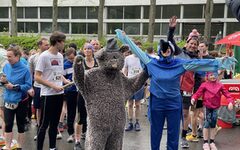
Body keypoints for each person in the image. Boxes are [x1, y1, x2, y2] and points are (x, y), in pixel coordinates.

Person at [115, 16, 236, 150]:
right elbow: (137, 50)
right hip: (157, 104)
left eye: (169, 50)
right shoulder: (152, 62)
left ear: (172, 51)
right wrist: (125, 38)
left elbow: (197, 63)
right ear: (160, 51)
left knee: (173, 134)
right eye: (163, 49)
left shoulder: (179, 64)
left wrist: (220, 62)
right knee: (155, 133)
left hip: (173, 103)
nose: (166, 52)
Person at [35, 31, 70, 150]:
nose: (64, 44)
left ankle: (52, 148)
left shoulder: (60, 56)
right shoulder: (44, 56)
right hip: (47, 95)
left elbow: (58, 74)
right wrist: (52, 86)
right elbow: (37, 77)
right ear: (57, 42)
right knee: (44, 124)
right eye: (63, 42)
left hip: (59, 94)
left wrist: (65, 81)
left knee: (54, 124)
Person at [191, 72, 234, 150]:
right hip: (207, 107)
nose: (213, 76)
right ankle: (205, 142)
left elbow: (227, 94)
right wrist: (194, 98)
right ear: (207, 76)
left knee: (213, 124)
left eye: (215, 75)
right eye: (211, 75)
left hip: (216, 107)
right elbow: (197, 93)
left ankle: (211, 141)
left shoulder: (220, 85)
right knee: (207, 124)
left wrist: (230, 102)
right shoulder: (204, 85)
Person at [1, 46, 32, 150]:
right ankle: (8, 147)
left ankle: (19, 147)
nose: (8, 58)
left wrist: (15, 87)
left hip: (21, 100)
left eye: (10, 56)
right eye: (7, 56)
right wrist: (3, 82)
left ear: (17, 56)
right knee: (8, 124)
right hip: (8, 99)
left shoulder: (25, 69)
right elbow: (2, 81)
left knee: (20, 126)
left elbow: (28, 85)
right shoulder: (6, 66)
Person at [74, 43, 98, 150]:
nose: (88, 50)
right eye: (85, 49)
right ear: (83, 50)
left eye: (89, 48)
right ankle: (77, 141)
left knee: (94, 117)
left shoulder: (98, 62)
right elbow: (76, 78)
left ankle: (92, 139)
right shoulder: (80, 62)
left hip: (95, 94)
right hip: (82, 94)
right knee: (80, 118)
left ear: (93, 50)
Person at [28, 38, 49, 141]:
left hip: (49, 87)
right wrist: (30, 87)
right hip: (38, 87)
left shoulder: (51, 56)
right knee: (38, 109)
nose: (48, 46)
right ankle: (39, 131)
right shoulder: (33, 58)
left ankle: (52, 131)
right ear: (40, 45)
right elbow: (30, 74)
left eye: (48, 45)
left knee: (49, 109)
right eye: (45, 45)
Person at [123, 41, 144, 132]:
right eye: (136, 47)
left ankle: (137, 122)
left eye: (139, 47)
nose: (137, 49)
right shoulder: (127, 58)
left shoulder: (143, 58)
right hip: (130, 83)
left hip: (139, 83)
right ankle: (130, 122)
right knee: (130, 104)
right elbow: (125, 69)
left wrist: (145, 82)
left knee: (138, 104)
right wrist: (125, 79)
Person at [63, 48, 78, 143]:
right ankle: (71, 133)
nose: (71, 60)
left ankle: (83, 132)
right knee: (70, 113)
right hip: (70, 91)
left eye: (73, 58)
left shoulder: (81, 63)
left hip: (81, 91)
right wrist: (66, 81)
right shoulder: (65, 65)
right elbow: (63, 77)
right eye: (69, 59)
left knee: (82, 112)